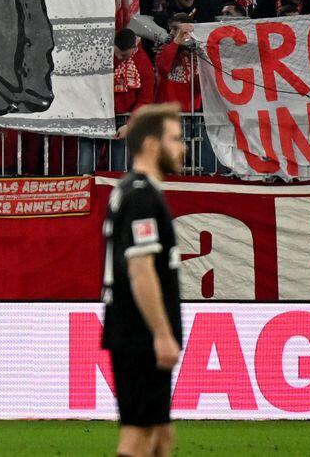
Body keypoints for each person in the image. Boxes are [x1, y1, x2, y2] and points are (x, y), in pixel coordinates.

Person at [102, 103, 187, 457]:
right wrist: (162, 334)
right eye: (175, 139)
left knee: (160, 434)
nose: (183, 147)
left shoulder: (132, 189)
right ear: (152, 145)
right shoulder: (141, 196)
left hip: (136, 330)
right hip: (139, 333)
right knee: (137, 437)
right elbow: (140, 270)